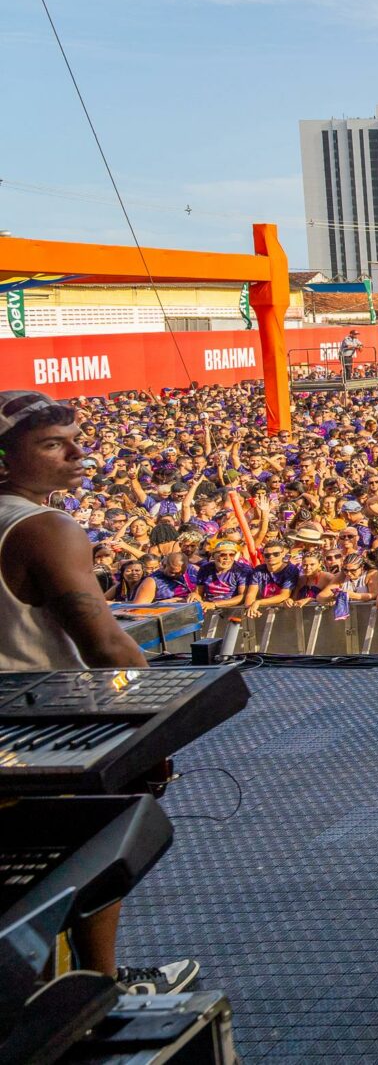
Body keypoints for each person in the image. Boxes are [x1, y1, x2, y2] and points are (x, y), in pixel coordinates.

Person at [0, 391, 198, 994]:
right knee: (92, 842)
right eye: (53, 444)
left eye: (77, 438)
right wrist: (153, 727)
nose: (78, 454)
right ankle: (99, 988)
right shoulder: (45, 528)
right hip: (36, 730)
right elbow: (106, 648)